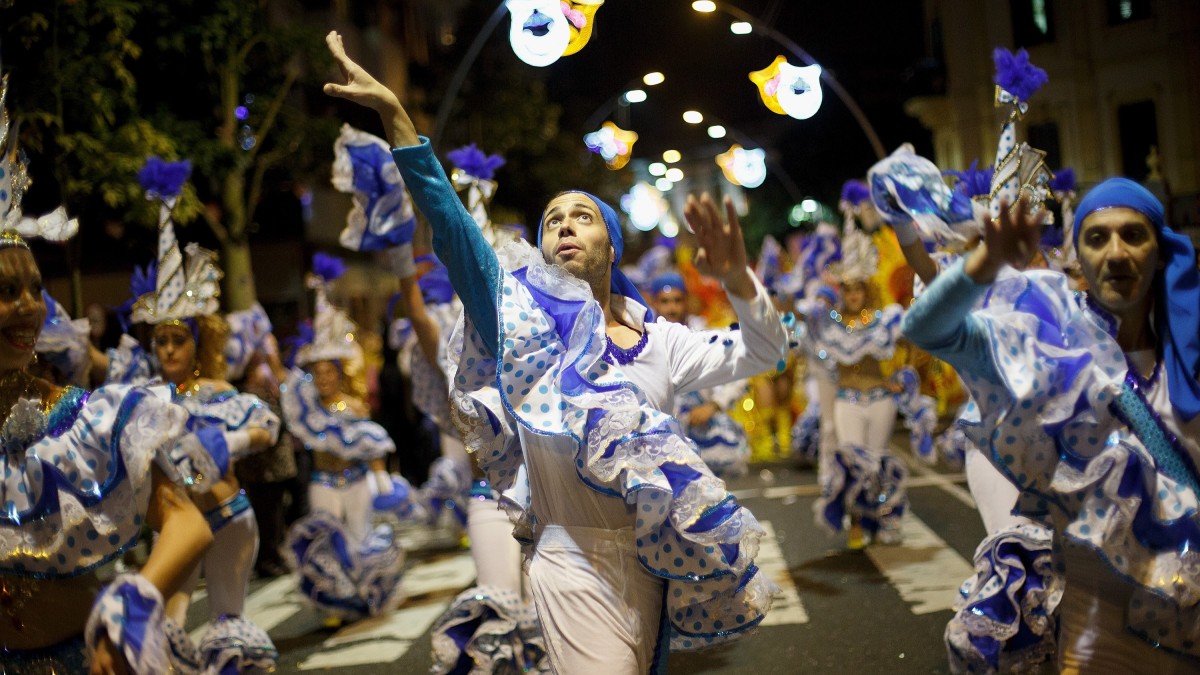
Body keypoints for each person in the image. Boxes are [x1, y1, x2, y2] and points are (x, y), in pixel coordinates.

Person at [323, 30, 785, 672]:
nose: (565, 224)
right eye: (552, 220)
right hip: (569, 561)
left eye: (583, 215)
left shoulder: (663, 339)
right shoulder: (519, 320)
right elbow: (456, 237)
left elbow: (766, 350)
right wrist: (399, 121)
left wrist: (737, 280)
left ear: (612, 244)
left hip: (654, 565)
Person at [904, 178, 1200, 672]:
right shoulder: (1046, 350)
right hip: (1094, 647)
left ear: (1161, 252)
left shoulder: (1189, 362)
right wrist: (985, 263)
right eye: (1098, 238)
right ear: (1077, 256)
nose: (1118, 253)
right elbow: (926, 329)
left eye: (1134, 235)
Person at [0, 103, 212, 673]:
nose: (27, 306)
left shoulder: (78, 419)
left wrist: (129, 614)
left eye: (34, 289)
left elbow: (188, 525)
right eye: (6, 291)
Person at [281, 253, 407, 624]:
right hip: (323, 481)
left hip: (355, 481)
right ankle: (334, 606)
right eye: (316, 373)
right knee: (325, 539)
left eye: (328, 372)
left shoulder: (353, 407)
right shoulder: (304, 412)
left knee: (358, 537)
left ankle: (367, 595)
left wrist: (380, 473)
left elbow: (371, 443)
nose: (323, 379)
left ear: (337, 373)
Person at [648, 271, 751, 479]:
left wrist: (714, 405)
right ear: (655, 303)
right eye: (665, 301)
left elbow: (739, 372)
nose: (672, 308)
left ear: (687, 302)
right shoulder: (643, 340)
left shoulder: (702, 335)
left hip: (701, 435)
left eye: (677, 300)